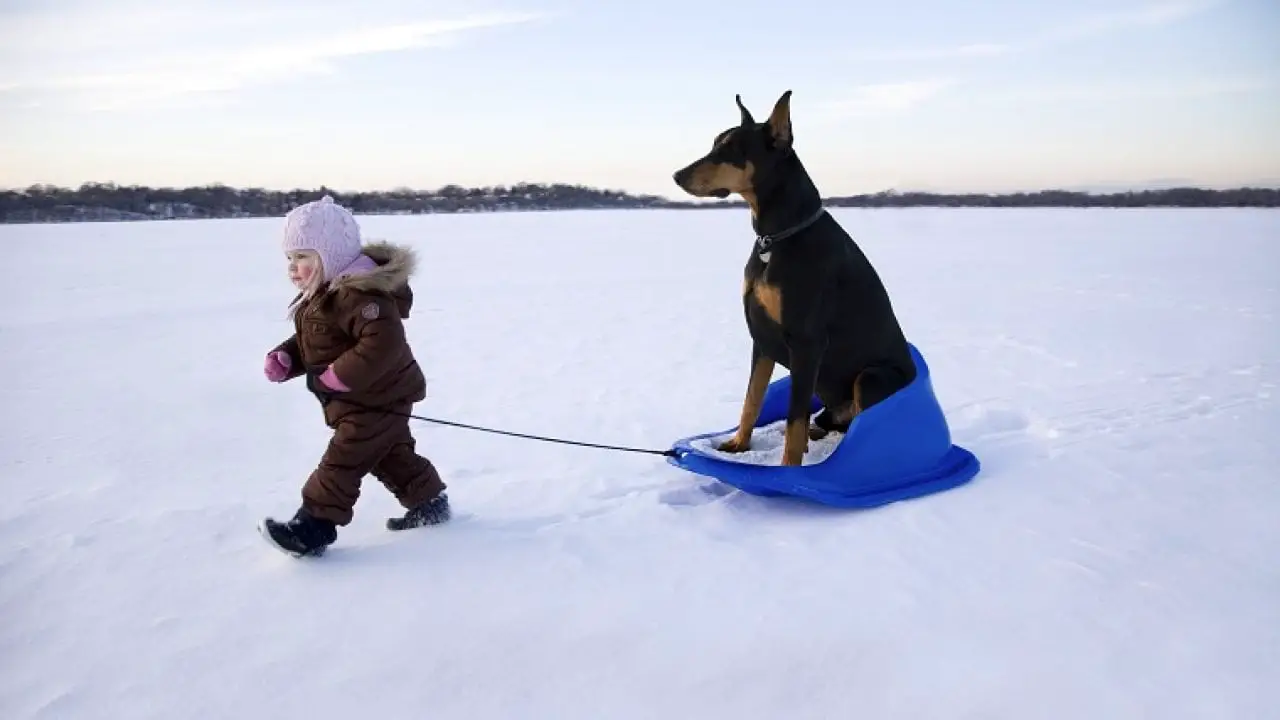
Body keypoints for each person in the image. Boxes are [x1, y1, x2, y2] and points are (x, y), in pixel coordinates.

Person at [258, 195, 450, 557]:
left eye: (302, 257)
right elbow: (318, 339)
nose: (292, 268)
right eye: (290, 258)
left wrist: (337, 378)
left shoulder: (361, 296)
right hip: (359, 398)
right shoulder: (327, 294)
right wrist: (288, 357)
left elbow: (382, 343)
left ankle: (313, 527)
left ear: (329, 255)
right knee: (389, 454)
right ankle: (428, 503)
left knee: (344, 460)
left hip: (379, 398)